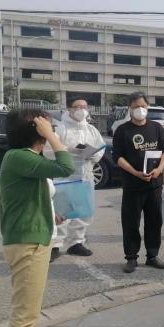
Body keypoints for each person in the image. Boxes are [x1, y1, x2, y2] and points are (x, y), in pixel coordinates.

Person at [0, 109, 75, 327]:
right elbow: (66, 166)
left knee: (28, 311)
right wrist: (52, 137)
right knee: (24, 315)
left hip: (33, 238)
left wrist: (50, 214)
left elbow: (31, 194)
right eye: (45, 126)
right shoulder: (19, 157)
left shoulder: (25, 158)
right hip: (26, 243)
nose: (51, 129)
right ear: (36, 131)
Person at [112, 92, 164, 273]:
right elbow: (118, 157)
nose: (140, 110)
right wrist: (135, 173)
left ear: (147, 107)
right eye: (136, 107)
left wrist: (159, 169)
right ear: (129, 108)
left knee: (154, 221)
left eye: (143, 106)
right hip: (132, 185)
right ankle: (131, 258)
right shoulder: (122, 130)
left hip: (154, 184)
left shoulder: (156, 127)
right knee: (131, 222)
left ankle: (152, 255)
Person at [49, 99, 105, 261]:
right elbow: (50, 149)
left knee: (83, 211)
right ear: (69, 109)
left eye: (84, 107)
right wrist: (69, 153)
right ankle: (55, 245)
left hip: (85, 176)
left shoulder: (91, 129)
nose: (82, 110)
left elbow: (100, 148)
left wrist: (93, 156)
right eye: (78, 107)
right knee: (61, 211)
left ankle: (76, 242)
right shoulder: (61, 128)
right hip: (64, 178)